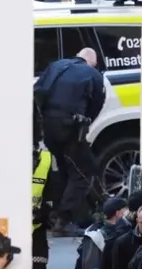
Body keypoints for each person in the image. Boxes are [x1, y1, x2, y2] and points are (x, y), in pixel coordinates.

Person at [33, 47, 106, 233]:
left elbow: (38, 91)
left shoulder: (56, 66)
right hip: (69, 127)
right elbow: (96, 105)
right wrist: (83, 122)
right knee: (84, 171)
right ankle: (63, 218)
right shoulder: (93, 74)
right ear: (92, 62)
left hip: (47, 126)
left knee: (65, 168)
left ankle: (64, 214)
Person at [32, 144, 54, 269]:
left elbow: (55, 193)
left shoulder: (45, 159)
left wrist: (47, 213)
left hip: (36, 229)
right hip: (5, 231)